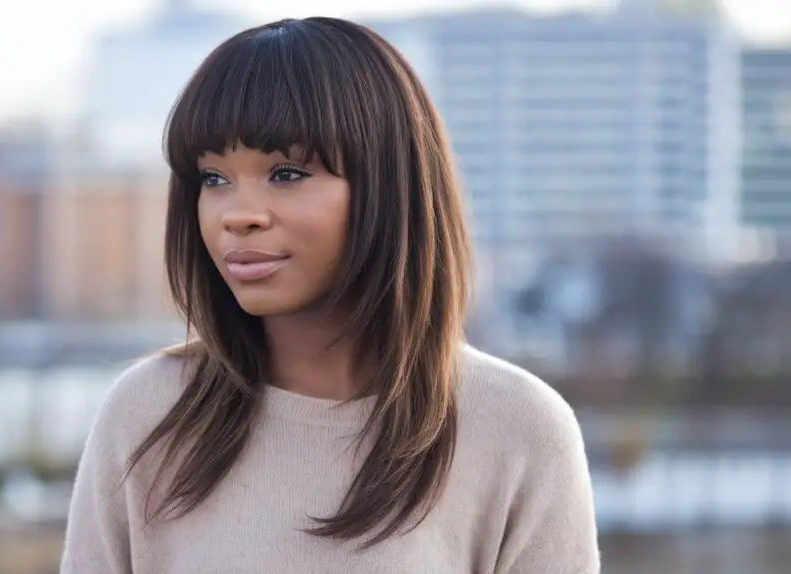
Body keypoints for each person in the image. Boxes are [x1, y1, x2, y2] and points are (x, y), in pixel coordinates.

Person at [61, 17, 600, 574]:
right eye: (213, 179)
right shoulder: (150, 414)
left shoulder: (519, 429)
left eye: (287, 173)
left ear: (387, 186)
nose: (238, 215)